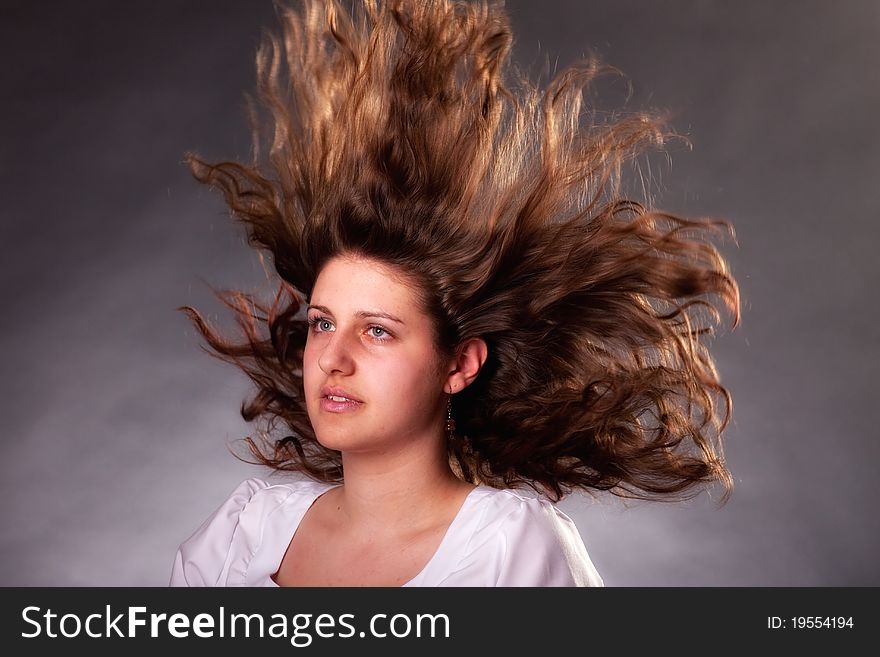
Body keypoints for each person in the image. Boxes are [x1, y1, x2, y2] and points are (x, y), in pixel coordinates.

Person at [170, 0, 740, 587]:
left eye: (377, 331)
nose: (333, 360)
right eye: (322, 324)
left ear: (459, 364)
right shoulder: (246, 529)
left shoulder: (509, 549)